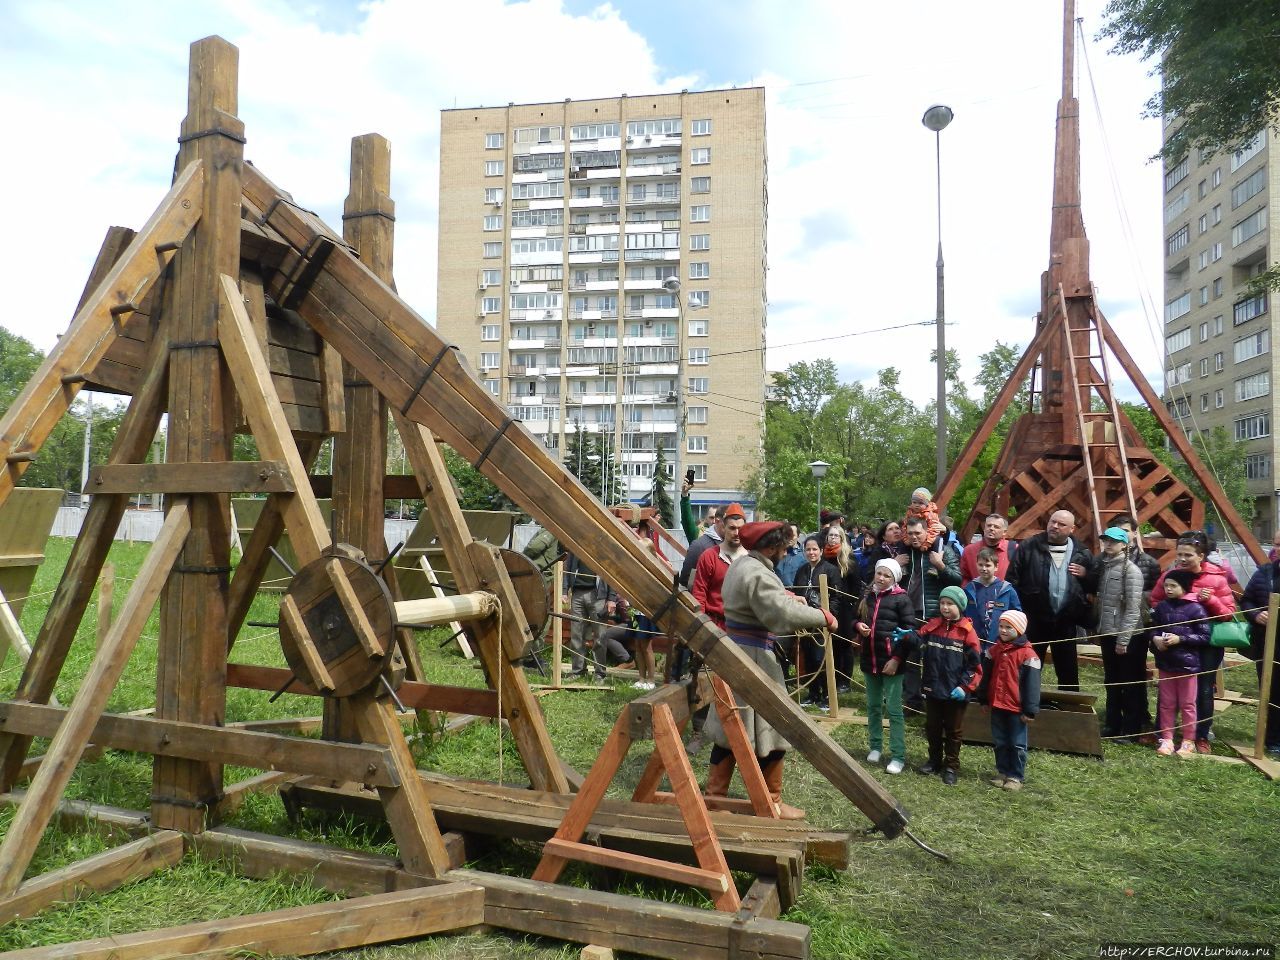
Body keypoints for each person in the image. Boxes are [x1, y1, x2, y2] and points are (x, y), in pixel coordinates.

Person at [703, 521, 836, 819]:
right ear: (771, 546)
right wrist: (822, 616)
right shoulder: (757, 571)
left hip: (737, 651)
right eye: (784, 547)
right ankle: (770, 802)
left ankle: (715, 798)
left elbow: (766, 600)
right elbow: (780, 615)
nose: (787, 552)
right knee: (776, 726)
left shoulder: (743, 566)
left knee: (730, 728)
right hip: (755, 657)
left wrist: (786, 595)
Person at [1149, 531, 1235, 753]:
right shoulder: (1171, 575)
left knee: (1203, 689)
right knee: (1167, 687)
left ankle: (1200, 735)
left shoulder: (1216, 578)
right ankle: (1163, 733)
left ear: (1202, 555)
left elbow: (1228, 613)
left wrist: (1211, 600)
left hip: (1204, 642)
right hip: (1173, 641)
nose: (1183, 559)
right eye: (1180, 554)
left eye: (1188, 555)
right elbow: (1156, 600)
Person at [1005, 510, 1094, 691]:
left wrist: (1086, 576)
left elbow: (1093, 586)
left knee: (1067, 669)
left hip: (1066, 621)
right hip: (1034, 619)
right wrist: (1018, 614)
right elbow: (1012, 580)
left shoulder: (1082, 552)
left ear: (1071, 529)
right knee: (1029, 665)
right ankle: (1025, 703)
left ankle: (1069, 709)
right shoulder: (1029, 547)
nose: (1055, 526)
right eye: (1053, 522)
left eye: (1061, 524)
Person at [906, 585, 982, 785]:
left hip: (955, 692)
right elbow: (918, 638)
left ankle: (951, 766)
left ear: (960, 606)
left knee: (953, 730)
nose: (945, 607)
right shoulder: (933, 625)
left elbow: (975, 666)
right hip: (933, 688)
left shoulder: (967, 632)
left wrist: (965, 687)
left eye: (950, 604)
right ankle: (934, 760)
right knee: (932, 727)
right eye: (942, 603)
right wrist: (906, 636)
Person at [855, 558, 915, 774]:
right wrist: (858, 625)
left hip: (891, 661)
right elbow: (856, 617)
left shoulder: (902, 600)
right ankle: (875, 746)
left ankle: (898, 755)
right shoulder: (868, 596)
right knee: (872, 706)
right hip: (869, 658)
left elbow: (909, 633)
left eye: (886, 575)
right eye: (879, 573)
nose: (881, 578)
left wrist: (897, 659)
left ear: (894, 578)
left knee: (894, 709)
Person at [900, 516, 962, 710]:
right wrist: (894, 563)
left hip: (933, 613)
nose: (914, 537)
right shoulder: (905, 553)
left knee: (934, 660)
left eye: (918, 533)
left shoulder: (943, 551)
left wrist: (940, 566)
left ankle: (934, 700)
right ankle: (913, 702)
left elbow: (957, 579)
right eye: (910, 534)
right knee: (910, 659)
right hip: (909, 613)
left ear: (927, 532)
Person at [1090, 527, 1145, 741]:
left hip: (1128, 636)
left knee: (1129, 683)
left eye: (1114, 541)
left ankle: (1131, 729)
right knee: (1111, 680)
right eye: (1106, 540)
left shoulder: (1131, 571)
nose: (1108, 544)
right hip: (1108, 632)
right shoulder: (1104, 567)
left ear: (1124, 544)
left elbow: (1132, 608)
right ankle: (1113, 723)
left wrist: (1124, 639)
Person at [976, 610, 1040, 790]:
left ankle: (1015, 776)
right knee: (1000, 741)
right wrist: (983, 699)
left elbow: (1032, 686)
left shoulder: (1028, 655)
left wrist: (1030, 710)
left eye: (1008, 627)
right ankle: (1002, 771)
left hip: (1016, 708)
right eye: (1001, 626)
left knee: (1017, 743)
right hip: (997, 705)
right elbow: (986, 677)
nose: (1003, 630)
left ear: (1019, 629)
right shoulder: (993, 651)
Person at [1150, 569, 1210, 756]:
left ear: (1184, 587)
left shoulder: (1196, 609)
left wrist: (1181, 639)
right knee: (1166, 703)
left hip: (1187, 665)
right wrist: (1155, 639)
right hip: (1166, 663)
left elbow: (1204, 636)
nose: (1168, 589)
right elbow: (1152, 629)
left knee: (1187, 703)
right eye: (1166, 585)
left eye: (1173, 585)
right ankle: (1166, 738)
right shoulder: (1161, 607)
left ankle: (1188, 739)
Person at [1241, 530, 1280, 755]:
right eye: (1276, 544)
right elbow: (1247, 600)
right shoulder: (1265, 573)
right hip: (1268, 642)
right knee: (1272, 691)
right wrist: (1256, 614)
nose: (1278, 548)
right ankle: (1273, 738)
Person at [792, 536, 841, 710]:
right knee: (809, 657)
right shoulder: (802, 570)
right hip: (805, 620)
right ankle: (813, 693)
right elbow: (796, 591)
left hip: (822, 620)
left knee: (822, 658)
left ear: (821, 550)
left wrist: (829, 616)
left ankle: (827, 694)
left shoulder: (830, 570)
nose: (811, 552)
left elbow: (836, 597)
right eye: (808, 549)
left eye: (814, 549)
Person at [823, 526, 864, 696]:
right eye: (830, 536)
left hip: (845, 608)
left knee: (844, 645)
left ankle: (844, 681)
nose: (832, 539)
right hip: (828, 606)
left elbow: (856, 588)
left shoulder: (849, 559)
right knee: (830, 644)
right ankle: (830, 677)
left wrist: (852, 607)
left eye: (836, 536)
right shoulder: (824, 557)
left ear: (842, 539)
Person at [691, 504, 746, 630]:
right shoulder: (709, 556)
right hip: (715, 627)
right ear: (723, 527)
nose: (737, 533)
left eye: (740, 528)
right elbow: (699, 595)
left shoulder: (752, 557)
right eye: (732, 528)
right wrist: (703, 628)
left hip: (744, 629)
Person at [963, 547, 1022, 653]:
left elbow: (1017, 616)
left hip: (999, 643)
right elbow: (962, 614)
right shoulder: (969, 589)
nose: (984, 568)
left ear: (996, 567)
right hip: (974, 642)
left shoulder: (1007, 589)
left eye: (988, 565)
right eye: (980, 565)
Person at [563, 553, 603, 679]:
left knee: (600, 636)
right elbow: (567, 569)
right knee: (576, 635)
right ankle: (578, 671)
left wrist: (611, 598)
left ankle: (600, 673)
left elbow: (611, 574)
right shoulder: (576, 546)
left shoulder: (602, 547)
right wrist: (564, 591)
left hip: (597, 595)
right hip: (577, 594)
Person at [960, 514, 1017, 585]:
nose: (991, 528)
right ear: (984, 528)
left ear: (1004, 532)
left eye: (996, 527)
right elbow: (964, 577)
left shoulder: (1015, 549)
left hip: (1004, 594)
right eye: (989, 525)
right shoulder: (969, 550)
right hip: (976, 593)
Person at [903, 487, 944, 551]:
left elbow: (933, 530)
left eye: (920, 503)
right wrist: (906, 538)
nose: (917, 505)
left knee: (937, 540)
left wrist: (926, 544)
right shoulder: (910, 512)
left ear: (927, 504)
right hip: (914, 541)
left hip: (929, 541)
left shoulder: (930, 514)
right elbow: (905, 526)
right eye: (914, 502)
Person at [776, 522, 806, 587]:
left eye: (793, 535)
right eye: (787, 535)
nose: (789, 538)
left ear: (798, 536)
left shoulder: (804, 556)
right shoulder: (776, 554)